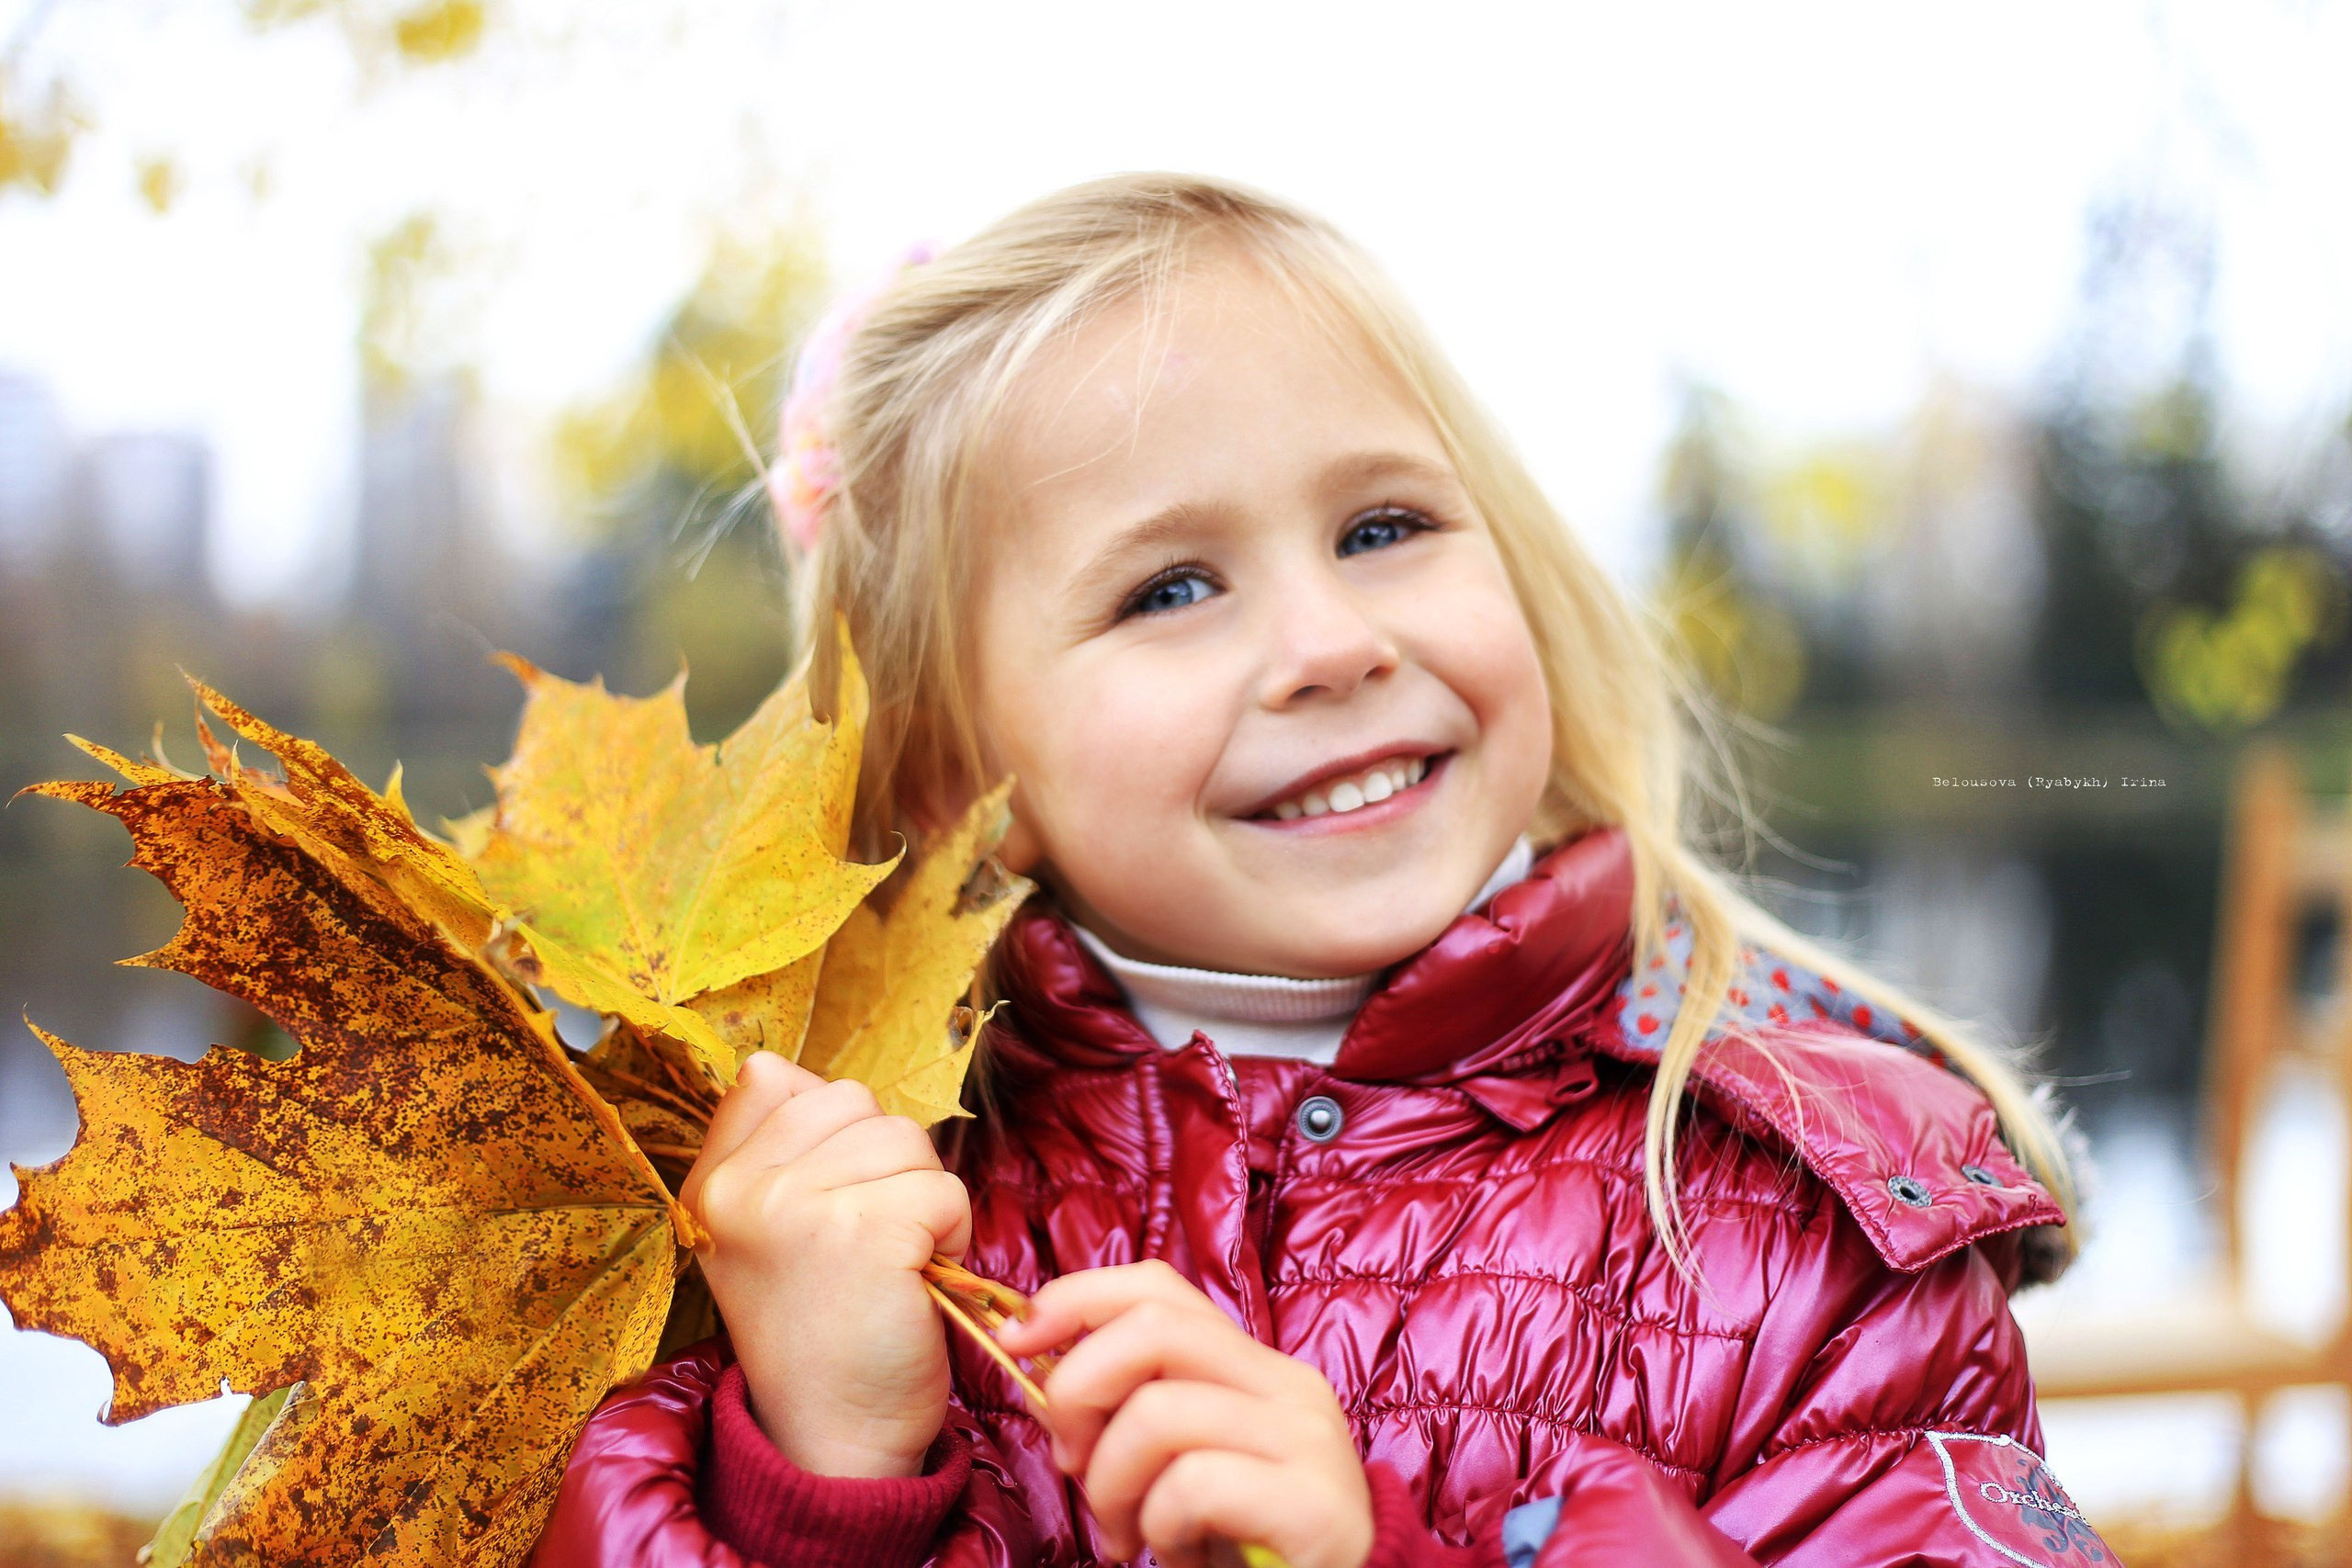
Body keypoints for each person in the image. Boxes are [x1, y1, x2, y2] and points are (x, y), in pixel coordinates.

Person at [530, 173, 2111, 1568]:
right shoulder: (852, 1225)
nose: (1333, 646)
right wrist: (817, 1486)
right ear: (964, 783)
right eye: (1171, 588)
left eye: (1383, 528)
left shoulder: (1795, 1225)